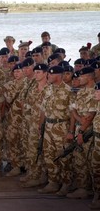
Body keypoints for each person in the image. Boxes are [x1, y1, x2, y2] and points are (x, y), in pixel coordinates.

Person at [38, 66, 75, 194]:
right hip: (48, 126)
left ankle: (66, 183)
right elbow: (43, 109)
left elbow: (72, 114)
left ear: (58, 76)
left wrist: (71, 131)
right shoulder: (48, 89)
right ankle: (53, 182)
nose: (48, 76)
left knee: (64, 156)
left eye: (51, 75)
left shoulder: (68, 91)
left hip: (62, 127)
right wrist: (40, 125)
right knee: (49, 155)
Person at [67, 67, 97, 199]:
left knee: (91, 162)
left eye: (81, 76)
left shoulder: (96, 92)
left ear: (89, 77)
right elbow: (73, 111)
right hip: (80, 129)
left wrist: (81, 132)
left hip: (89, 132)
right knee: (79, 160)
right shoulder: (80, 92)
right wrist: (72, 130)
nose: (78, 78)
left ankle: (90, 189)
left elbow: (90, 117)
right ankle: (82, 187)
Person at [90, 82, 100, 209]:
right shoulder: (97, 105)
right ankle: (97, 195)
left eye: (98, 92)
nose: (95, 94)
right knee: (96, 169)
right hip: (97, 140)